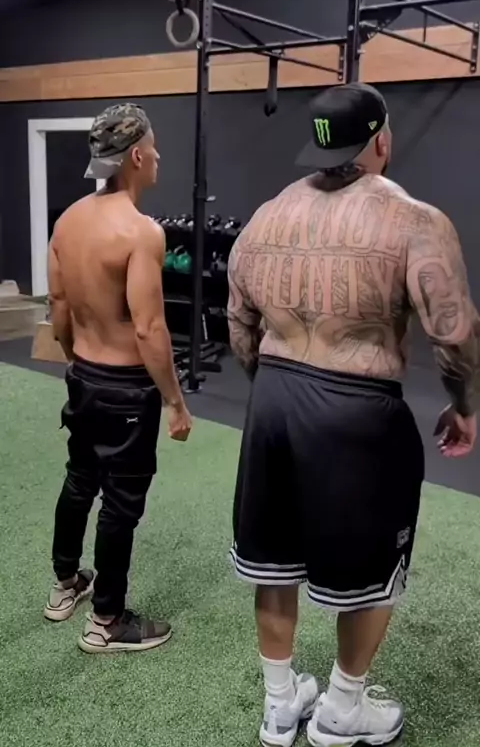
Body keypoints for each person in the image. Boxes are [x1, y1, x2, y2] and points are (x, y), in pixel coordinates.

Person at [227, 83, 480, 747]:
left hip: (273, 402)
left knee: (275, 564)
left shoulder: (266, 217)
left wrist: (275, 391)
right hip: (357, 412)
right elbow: (454, 334)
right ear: (382, 141)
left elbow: (239, 326)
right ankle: (342, 709)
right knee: (370, 575)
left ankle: (280, 706)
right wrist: (465, 407)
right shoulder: (415, 221)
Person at [44, 103, 192, 653]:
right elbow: (150, 328)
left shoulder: (68, 220)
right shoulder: (141, 232)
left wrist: (76, 360)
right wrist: (175, 401)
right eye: (152, 149)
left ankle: (66, 583)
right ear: (135, 157)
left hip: (83, 375)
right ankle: (106, 620)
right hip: (127, 389)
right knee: (121, 504)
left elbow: (59, 305)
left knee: (80, 479)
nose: (158, 157)